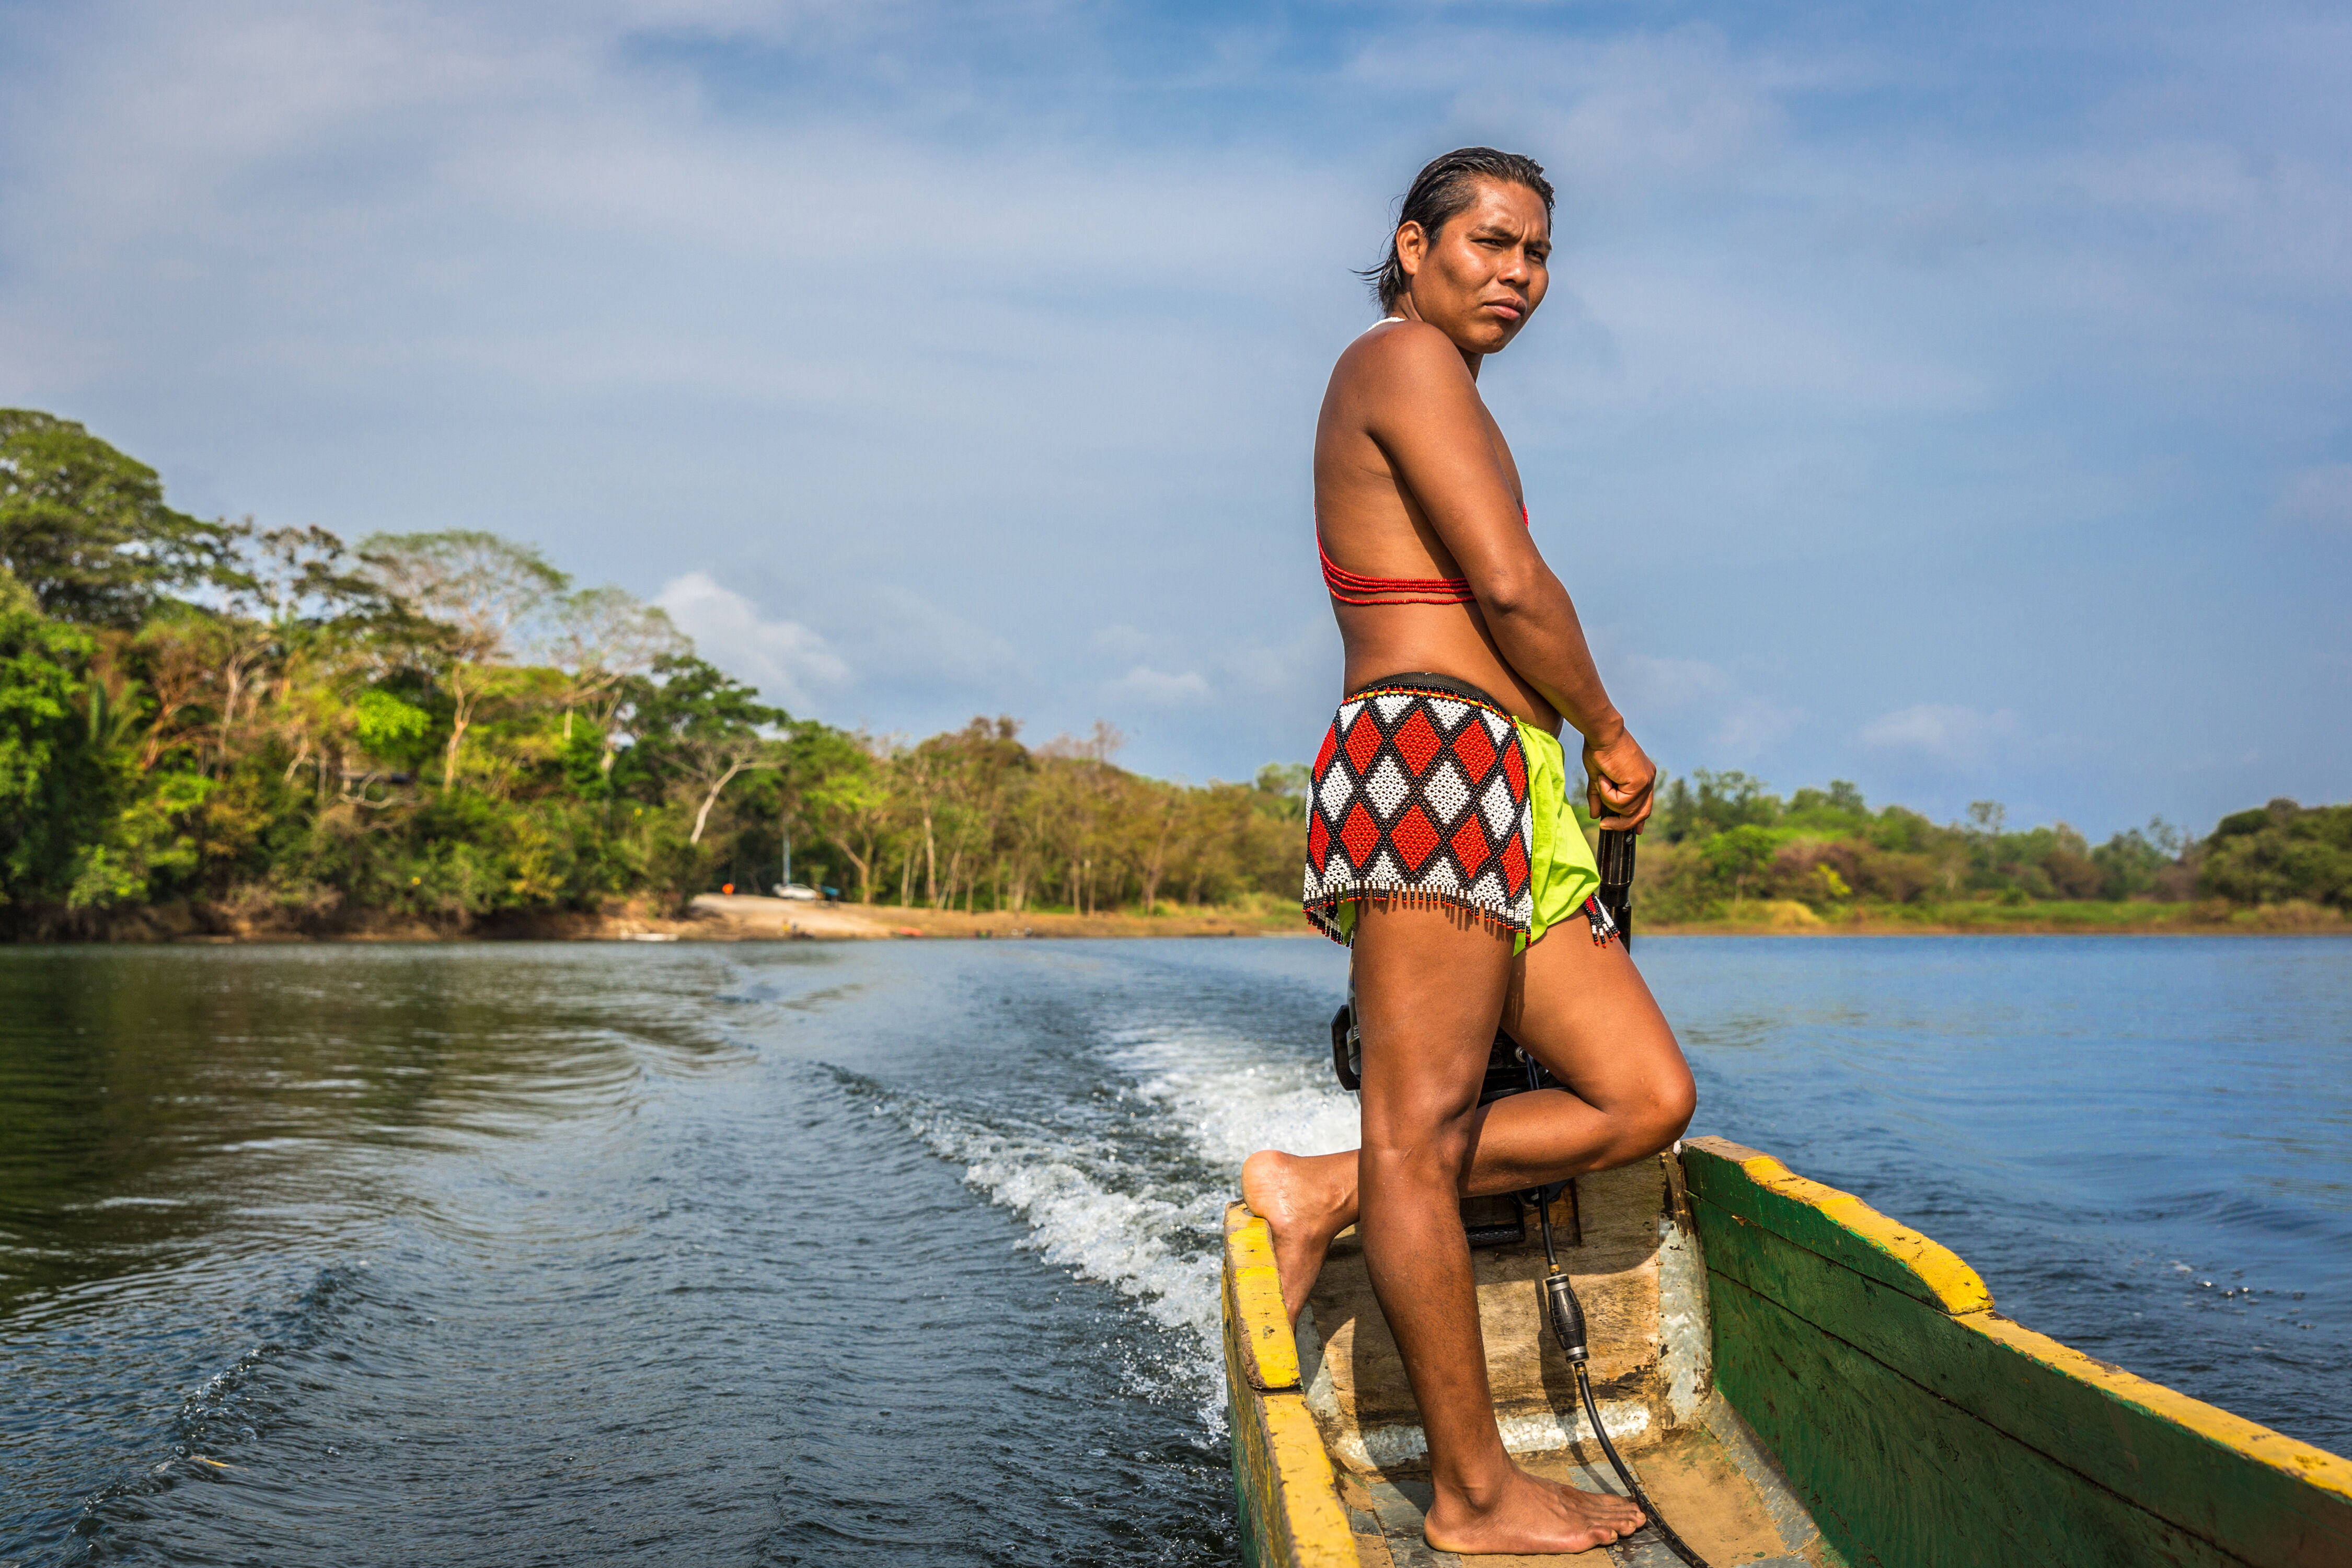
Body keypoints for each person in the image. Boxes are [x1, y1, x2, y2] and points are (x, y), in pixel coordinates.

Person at [1240, 148, 1696, 1558]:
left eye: (1536, 254)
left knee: (1641, 1094)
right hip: (1430, 767)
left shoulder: (1448, 384)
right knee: (1421, 1139)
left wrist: (1562, 761)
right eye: (1491, 242)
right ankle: (1469, 1492)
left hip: (1508, 788)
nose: (1516, 273)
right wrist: (1609, 728)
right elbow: (1505, 584)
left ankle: (1321, 1186)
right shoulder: (1397, 358)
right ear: (1413, 243)